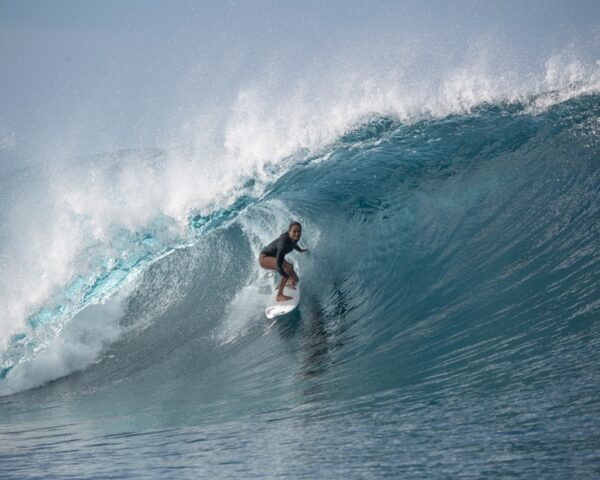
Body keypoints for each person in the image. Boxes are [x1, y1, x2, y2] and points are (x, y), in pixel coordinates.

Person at [259, 221, 308, 302]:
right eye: (294, 231)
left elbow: (293, 244)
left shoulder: (294, 239)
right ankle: (279, 295)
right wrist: (287, 276)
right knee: (288, 267)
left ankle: (285, 284)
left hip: (274, 258)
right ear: (289, 232)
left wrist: (300, 250)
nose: (297, 233)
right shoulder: (283, 242)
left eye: (299, 231)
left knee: (295, 280)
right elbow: (279, 267)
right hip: (264, 258)